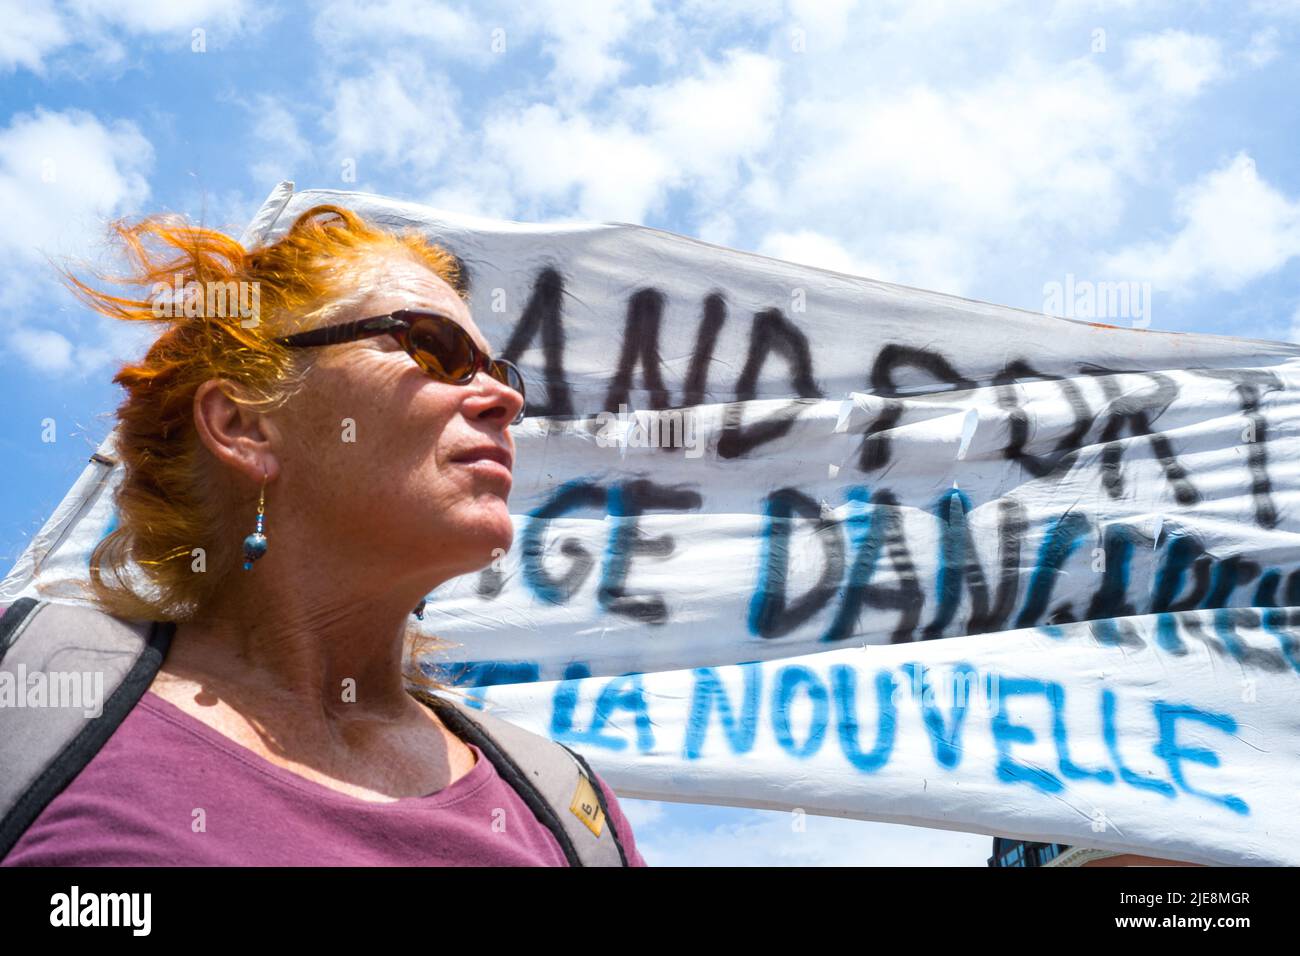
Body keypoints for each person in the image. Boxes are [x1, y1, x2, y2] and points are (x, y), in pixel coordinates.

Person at [1, 204, 646, 866]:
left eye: (500, 373)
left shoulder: (566, 808)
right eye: (433, 347)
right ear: (245, 424)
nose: (505, 400)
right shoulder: (25, 696)